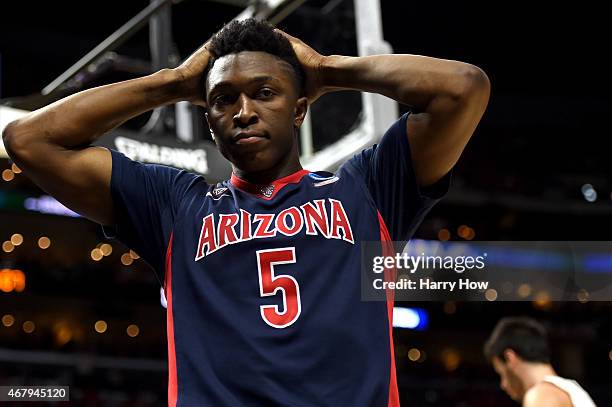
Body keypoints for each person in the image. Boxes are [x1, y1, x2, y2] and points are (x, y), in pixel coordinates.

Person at [3, 18, 489, 406]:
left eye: (264, 92)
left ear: (300, 109)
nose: (242, 111)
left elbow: (463, 87)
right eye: (222, 100)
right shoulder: (175, 205)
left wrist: (328, 69)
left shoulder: (366, 190)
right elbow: (28, 140)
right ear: (208, 122)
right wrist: (171, 82)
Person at [484, 317, 597, 407]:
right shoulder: (570, 389)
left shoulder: (541, 395)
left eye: (501, 374)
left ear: (510, 358)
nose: (503, 385)